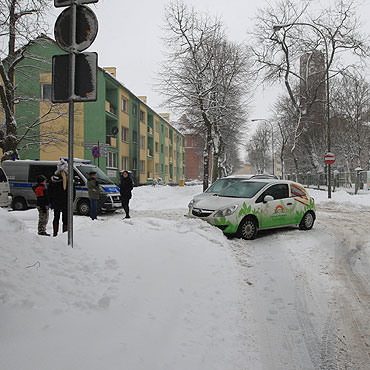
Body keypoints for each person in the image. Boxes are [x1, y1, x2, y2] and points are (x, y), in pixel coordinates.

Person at [48, 161, 68, 236]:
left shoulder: (53, 179)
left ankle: (55, 233)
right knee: (65, 219)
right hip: (65, 202)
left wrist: (51, 200)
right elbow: (72, 192)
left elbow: (49, 191)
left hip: (56, 201)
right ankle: (65, 234)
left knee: (56, 217)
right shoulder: (67, 179)